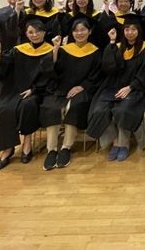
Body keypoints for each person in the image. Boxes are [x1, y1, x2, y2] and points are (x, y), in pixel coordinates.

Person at [0, 19, 55, 170]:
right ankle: (7, 148)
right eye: (31, 32)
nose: (35, 35)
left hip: (38, 91)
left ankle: (27, 143)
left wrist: (34, 89)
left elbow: (50, 76)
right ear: (26, 34)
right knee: (1, 109)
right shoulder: (18, 50)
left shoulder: (50, 51)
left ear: (44, 33)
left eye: (38, 31)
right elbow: (3, 69)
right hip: (13, 90)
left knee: (27, 106)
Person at [86, 14, 145, 161]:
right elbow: (108, 68)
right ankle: (115, 141)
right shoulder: (116, 46)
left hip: (136, 88)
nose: (130, 32)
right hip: (113, 86)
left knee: (123, 109)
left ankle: (124, 144)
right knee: (99, 110)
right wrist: (111, 42)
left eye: (133, 29)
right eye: (127, 29)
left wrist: (131, 87)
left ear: (139, 31)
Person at [39, 17, 102, 170]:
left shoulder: (95, 51)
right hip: (61, 88)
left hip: (83, 90)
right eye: (76, 30)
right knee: (52, 108)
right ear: (72, 33)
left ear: (89, 32)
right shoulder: (64, 49)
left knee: (74, 106)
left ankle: (66, 147)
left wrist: (82, 87)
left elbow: (96, 75)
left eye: (83, 30)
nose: (79, 33)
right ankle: (51, 149)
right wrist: (55, 49)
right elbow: (53, 70)